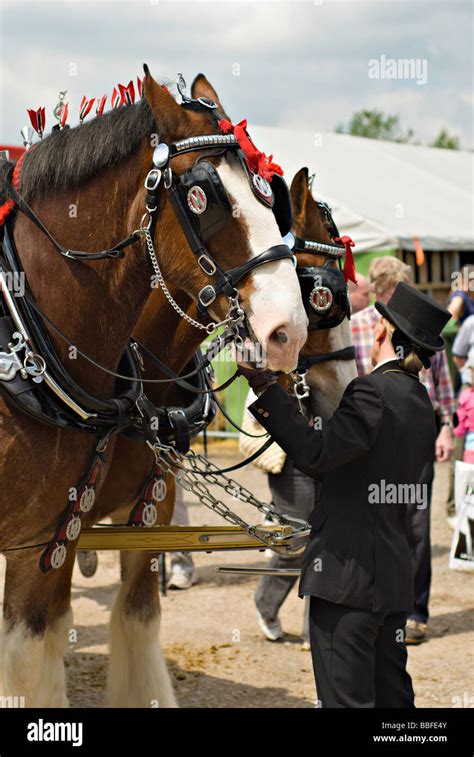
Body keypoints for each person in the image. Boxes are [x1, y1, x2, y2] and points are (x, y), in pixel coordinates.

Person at [238, 282, 451, 708]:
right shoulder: (422, 405)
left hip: (347, 582)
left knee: (345, 702)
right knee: (394, 702)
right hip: (391, 583)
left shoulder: (371, 391)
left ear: (382, 335)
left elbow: (317, 455)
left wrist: (265, 388)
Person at [351, 257, 455, 644]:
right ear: (379, 292)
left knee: (416, 523)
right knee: (369, 517)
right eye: (395, 292)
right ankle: (374, 603)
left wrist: (446, 430)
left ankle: (415, 611)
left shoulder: (423, 329)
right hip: (371, 431)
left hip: (415, 433)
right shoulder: (357, 328)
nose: (403, 299)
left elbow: (442, 388)